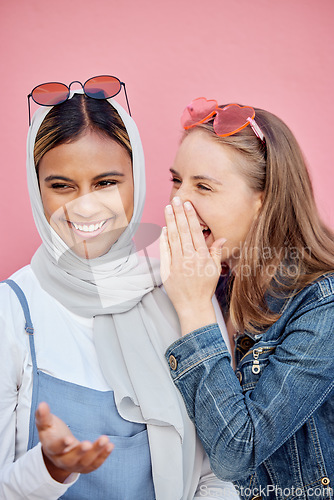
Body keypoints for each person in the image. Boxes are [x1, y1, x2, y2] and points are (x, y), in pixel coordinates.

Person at [0, 85, 240, 499]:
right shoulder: (12, 310)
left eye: (106, 182)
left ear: (137, 177)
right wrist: (50, 469)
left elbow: (220, 469)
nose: (86, 207)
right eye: (62, 186)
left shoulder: (182, 288)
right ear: (37, 188)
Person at [160, 97, 334, 499]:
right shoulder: (211, 281)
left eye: (203, 186)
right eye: (176, 180)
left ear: (264, 200)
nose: (177, 201)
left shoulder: (322, 304)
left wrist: (193, 308)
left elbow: (237, 453)